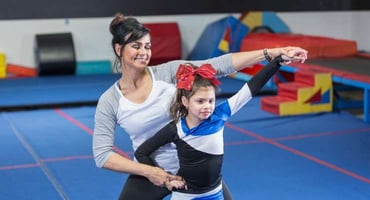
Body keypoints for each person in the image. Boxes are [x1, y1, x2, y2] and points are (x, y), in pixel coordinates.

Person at [92, 12, 308, 200]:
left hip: (196, 167)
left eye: (147, 46)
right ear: (118, 48)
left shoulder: (169, 72)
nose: (144, 52)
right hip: (151, 170)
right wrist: (150, 172)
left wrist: (272, 53)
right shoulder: (110, 101)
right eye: (136, 46)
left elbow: (219, 66)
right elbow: (103, 155)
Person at [134, 56, 285, 199]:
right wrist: (166, 179)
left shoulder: (220, 115)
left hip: (215, 193)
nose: (207, 106)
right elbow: (142, 152)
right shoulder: (177, 129)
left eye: (211, 101)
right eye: (200, 101)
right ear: (185, 101)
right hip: (186, 195)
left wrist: (277, 62)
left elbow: (251, 88)